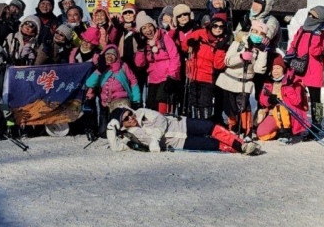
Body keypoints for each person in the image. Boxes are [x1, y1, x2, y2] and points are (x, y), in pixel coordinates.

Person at [106, 106, 260, 155]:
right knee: (212, 144)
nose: (131, 118)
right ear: (121, 124)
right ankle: (242, 150)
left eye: (129, 114)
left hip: (182, 124)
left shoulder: (141, 112)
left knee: (211, 128)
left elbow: (161, 119)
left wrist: (155, 139)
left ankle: (241, 144)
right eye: (126, 119)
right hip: (179, 142)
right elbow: (116, 147)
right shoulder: (130, 136)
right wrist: (110, 128)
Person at [218, 20, 269, 138]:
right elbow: (227, 61)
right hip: (230, 81)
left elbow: (259, 70)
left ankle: (247, 131)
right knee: (230, 107)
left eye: (261, 34)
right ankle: (233, 128)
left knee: (244, 106)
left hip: (245, 82)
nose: (257, 35)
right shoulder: (238, 43)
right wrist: (241, 56)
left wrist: (263, 53)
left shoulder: (259, 49)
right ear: (251, 31)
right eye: (255, 31)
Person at [286, 5, 324, 133]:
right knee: (292, 93)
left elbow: (315, 52)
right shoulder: (302, 29)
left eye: (313, 16)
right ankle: (294, 121)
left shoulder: (321, 32)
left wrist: (317, 36)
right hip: (298, 66)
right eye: (309, 14)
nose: (310, 17)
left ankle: (317, 125)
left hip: (313, 69)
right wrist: (288, 58)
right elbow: (294, 44)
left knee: (316, 100)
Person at [236, 0, 281, 102]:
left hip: (263, 60)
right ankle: (243, 116)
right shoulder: (247, 17)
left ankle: (263, 114)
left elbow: (264, 37)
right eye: (254, 2)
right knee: (242, 92)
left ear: (265, 7)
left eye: (259, 4)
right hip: (246, 58)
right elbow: (237, 35)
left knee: (261, 92)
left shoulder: (271, 21)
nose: (255, 6)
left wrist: (245, 35)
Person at [183, 14, 230, 119]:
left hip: (208, 77)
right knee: (193, 101)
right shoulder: (200, 33)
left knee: (205, 102)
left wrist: (221, 49)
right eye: (215, 26)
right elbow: (185, 46)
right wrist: (189, 43)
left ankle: (205, 124)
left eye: (221, 27)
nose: (218, 29)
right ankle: (194, 124)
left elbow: (218, 65)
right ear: (211, 25)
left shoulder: (222, 42)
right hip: (193, 74)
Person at [135, 11, 181, 114]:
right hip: (153, 78)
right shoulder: (145, 43)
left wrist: (172, 75)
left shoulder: (164, 37)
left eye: (149, 26)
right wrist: (141, 49)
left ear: (154, 25)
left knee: (162, 100)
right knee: (151, 105)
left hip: (167, 76)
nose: (148, 30)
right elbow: (139, 64)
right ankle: (153, 128)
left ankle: (164, 123)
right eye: (144, 28)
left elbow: (174, 56)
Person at [256, 55, 308, 142]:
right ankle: (278, 132)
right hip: (273, 114)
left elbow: (296, 101)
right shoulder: (268, 82)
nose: (275, 71)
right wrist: (268, 100)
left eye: (278, 68)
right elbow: (262, 99)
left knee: (280, 107)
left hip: (291, 113)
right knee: (262, 134)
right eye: (273, 68)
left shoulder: (293, 81)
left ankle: (286, 133)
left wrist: (288, 86)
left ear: (283, 69)